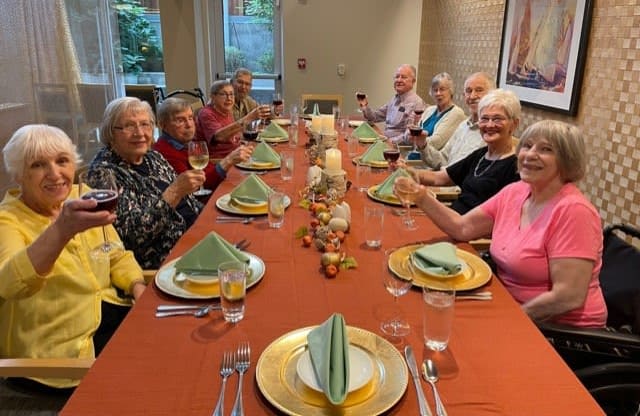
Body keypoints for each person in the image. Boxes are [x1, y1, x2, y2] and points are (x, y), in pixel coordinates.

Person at [395, 120, 606, 327]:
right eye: (527, 145)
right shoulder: (516, 191)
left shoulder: (574, 211)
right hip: (507, 302)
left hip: (559, 329)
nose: (530, 154)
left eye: (546, 149)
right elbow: (463, 228)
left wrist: (508, 320)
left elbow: (567, 297)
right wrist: (421, 197)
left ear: (567, 160)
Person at [0, 124, 146, 389]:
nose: (55, 174)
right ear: (18, 175)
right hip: (58, 356)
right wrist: (61, 231)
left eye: (62, 161)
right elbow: (9, 284)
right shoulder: (7, 221)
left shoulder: (82, 195)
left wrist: (137, 287)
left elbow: (115, 254)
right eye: (37, 165)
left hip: (109, 312)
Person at [89, 97, 205, 269]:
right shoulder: (104, 173)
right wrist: (174, 191)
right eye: (129, 126)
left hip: (195, 238)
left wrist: (210, 220)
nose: (139, 133)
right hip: (170, 260)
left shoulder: (153, 157)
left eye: (145, 124)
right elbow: (133, 237)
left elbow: (188, 202)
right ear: (110, 132)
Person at [402, 88, 521, 214]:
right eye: (484, 119)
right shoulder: (481, 154)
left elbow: (479, 224)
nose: (489, 125)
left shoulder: (516, 167)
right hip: (453, 220)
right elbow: (439, 178)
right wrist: (404, 171)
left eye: (497, 119)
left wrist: (422, 198)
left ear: (514, 124)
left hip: (468, 230)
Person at [153, 97, 253, 192]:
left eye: (190, 118)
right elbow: (199, 188)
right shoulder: (165, 153)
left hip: (217, 188)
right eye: (180, 120)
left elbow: (207, 171)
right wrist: (228, 160)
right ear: (163, 125)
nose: (189, 125)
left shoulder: (188, 144)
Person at [417, 72, 494, 169]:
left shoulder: (491, 131)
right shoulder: (463, 126)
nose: (472, 96)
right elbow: (442, 159)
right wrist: (422, 145)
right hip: (443, 178)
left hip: (453, 182)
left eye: (479, 90)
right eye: (468, 91)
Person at [357, 64, 425, 143]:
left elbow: (409, 135)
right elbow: (374, 117)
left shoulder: (417, 103)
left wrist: (389, 142)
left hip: (399, 148)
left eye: (403, 77)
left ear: (413, 81)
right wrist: (364, 105)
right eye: (397, 77)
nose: (399, 80)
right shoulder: (394, 99)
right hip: (385, 141)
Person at [409, 72, 466, 152]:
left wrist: (416, 140)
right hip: (416, 155)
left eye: (442, 89)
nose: (438, 93)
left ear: (451, 91)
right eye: (435, 90)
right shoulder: (429, 110)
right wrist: (413, 126)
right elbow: (414, 135)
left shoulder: (456, 113)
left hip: (432, 162)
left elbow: (437, 142)